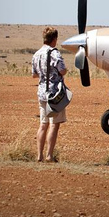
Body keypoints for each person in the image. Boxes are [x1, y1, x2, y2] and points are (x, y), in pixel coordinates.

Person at [31, 27, 68, 162]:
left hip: (41, 93)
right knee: (54, 124)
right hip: (55, 95)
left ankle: (39, 155)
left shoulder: (36, 54)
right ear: (54, 39)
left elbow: (34, 75)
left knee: (43, 124)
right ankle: (49, 155)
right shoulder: (54, 53)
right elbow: (62, 70)